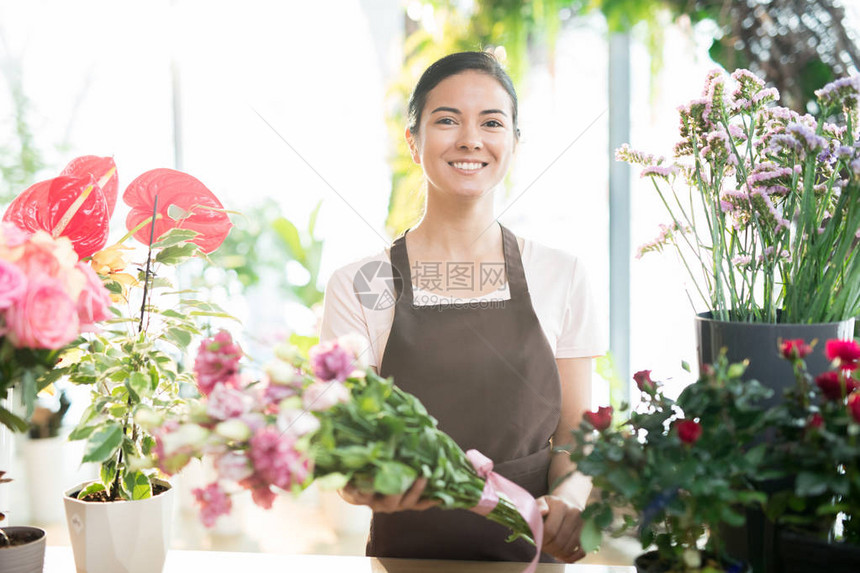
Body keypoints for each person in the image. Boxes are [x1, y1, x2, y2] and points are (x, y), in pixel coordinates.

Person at [319, 51, 604, 564]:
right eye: (447, 120)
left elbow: (574, 435)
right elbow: (345, 454)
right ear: (413, 141)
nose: (470, 139)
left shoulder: (562, 274)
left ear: (514, 143)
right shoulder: (359, 284)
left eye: (492, 123)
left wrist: (570, 499)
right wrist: (366, 487)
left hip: (533, 557)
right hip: (406, 560)